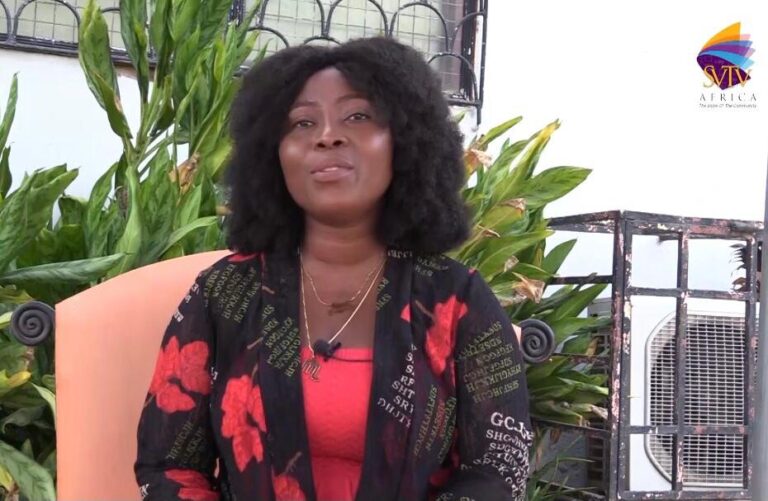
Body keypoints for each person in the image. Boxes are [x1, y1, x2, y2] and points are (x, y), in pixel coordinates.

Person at [135, 36, 532, 501]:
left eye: (357, 116)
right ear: (273, 153)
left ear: (405, 141)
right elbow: (168, 466)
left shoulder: (456, 298)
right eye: (302, 122)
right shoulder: (223, 292)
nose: (327, 135)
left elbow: (499, 465)